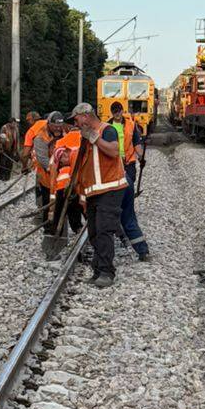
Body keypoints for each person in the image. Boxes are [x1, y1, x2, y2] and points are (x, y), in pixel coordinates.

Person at [70, 101, 127, 286]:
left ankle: (106, 272)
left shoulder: (107, 130)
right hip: (95, 191)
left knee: (104, 230)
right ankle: (98, 270)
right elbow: (85, 165)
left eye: (77, 119)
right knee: (94, 232)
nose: (76, 124)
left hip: (110, 189)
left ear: (86, 116)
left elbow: (113, 151)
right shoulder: (85, 137)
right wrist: (81, 193)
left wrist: (93, 137)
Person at [107, 100, 151, 261]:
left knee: (123, 203)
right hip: (114, 166)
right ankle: (139, 248)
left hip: (127, 164)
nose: (117, 113)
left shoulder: (130, 125)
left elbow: (136, 143)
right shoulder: (108, 126)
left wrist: (140, 157)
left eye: (119, 110)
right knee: (125, 208)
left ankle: (123, 233)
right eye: (115, 111)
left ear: (122, 111)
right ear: (112, 112)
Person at [24, 112, 64, 213]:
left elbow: (25, 153)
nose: (58, 128)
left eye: (60, 126)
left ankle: (41, 212)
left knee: (46, 200)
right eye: (55, 126)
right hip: (47, 173)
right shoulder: (41, 136)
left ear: (32, 120)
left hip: (56, 174)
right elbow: (43, 160)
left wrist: (24, 166)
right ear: (48, 123)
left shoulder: (31, 130)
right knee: (49, 199)